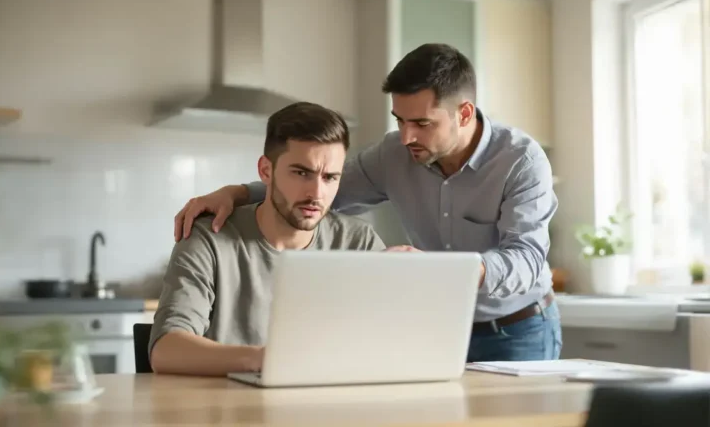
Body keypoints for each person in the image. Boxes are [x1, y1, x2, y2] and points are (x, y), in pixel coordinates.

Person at [172, 43, 561, 362]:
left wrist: (442, 270)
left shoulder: (520, 162)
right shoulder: (394, 153)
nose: (406, 136)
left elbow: (527, 259)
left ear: (463, 113)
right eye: (400, 120)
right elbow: (321, 194)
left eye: (422, 123)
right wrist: (236, 193)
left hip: (516, 329)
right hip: (440, 330)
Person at [149, 102, 386, 376]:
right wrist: (270, 359)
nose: (317, 193)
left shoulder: (360, 243)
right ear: (265, 171)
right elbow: (166, 350)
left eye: (330, 177)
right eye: (301, 173)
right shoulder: (210, 238)